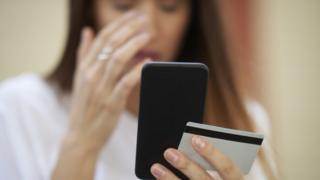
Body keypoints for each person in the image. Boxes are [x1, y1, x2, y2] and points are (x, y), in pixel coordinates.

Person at [0, 0, 277, 179]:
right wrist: (81, 144)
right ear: (89, 12)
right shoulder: (18, 108)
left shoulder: (245, 117)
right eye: (123, 5)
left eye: (169, 7)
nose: (149, 29)